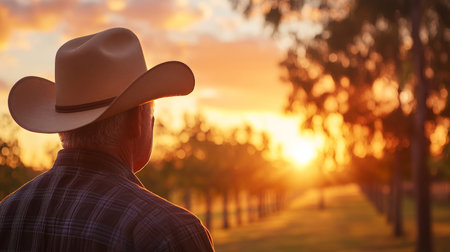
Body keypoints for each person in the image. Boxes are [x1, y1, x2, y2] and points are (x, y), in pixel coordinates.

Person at [0, 27, 214, 251]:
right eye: (150, 112)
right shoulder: (169, 232)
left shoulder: (6, 215)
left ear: (61, 128)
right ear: (137, 122)